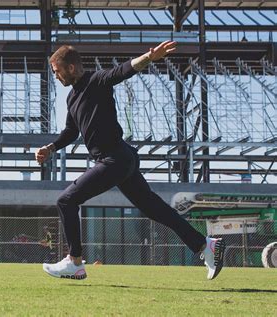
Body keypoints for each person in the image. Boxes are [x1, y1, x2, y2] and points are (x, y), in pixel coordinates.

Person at [37, 42, 225, 280]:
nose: (55, 76)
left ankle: (74, 262)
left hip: (114, 158)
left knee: (66, 201)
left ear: (71, 67)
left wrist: (149, 56)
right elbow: (71, 131)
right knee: (154, 209)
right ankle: (205, 245)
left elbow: (123, 71)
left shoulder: (97, 81)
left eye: (57, 70)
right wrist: (51, 147)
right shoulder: (72, 98)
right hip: (122, 159)